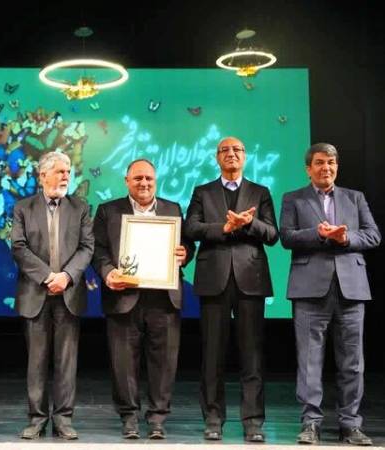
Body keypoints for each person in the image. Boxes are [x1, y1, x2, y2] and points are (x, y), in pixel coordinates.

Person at [280, 143, 381, 446]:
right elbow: (287, 236)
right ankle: (311, 423)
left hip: (351, 289)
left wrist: (345, 237)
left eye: (332, 162)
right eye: (320, 162)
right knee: (310, 361)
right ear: (308, 168)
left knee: (352, 362)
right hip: (309, 290)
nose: (327, 167)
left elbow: (373, 235)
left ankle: (350, 424)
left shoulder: (354, 197)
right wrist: (319, 234)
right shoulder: (293, 198)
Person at [184, 136, 278, 442]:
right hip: (214, 279)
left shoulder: (260, 192)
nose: (231, 154)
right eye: (224, 150)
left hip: (251, 279)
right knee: (213, 353)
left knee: (252, 355)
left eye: (236, 150)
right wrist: (223, 228)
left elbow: (272, 234)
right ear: (217, 157)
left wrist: (248, 223)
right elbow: (191, 228)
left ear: (245, 156)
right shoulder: (202, 191)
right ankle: (213, 419)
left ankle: (253, 422)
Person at [92, 159, 193, 440]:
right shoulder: (108, 211)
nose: (144, 183)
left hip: (164, 298)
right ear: (127, 181)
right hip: (124, 296)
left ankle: (158, 418)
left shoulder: (173, 209)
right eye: (137, 178)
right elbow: (97, 250)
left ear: (156, 181)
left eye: (149, 178)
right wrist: (108, 272)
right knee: (123, 363)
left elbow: (187, 245)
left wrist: (185, 253)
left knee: (164, 362)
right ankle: (129, 418)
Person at [11, 151, 94, 440]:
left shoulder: (80, 207)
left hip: (68, 294)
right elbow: (19, 247)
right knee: (36, 361)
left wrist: (66, 277)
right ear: (43, 175)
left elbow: (87, 247)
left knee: (66, 362)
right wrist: (48, 277)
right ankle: (36, 419)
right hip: (36, 293)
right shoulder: (23, 207)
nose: (65, 176)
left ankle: (63, 419)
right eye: (59, 171)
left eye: (68, 172)